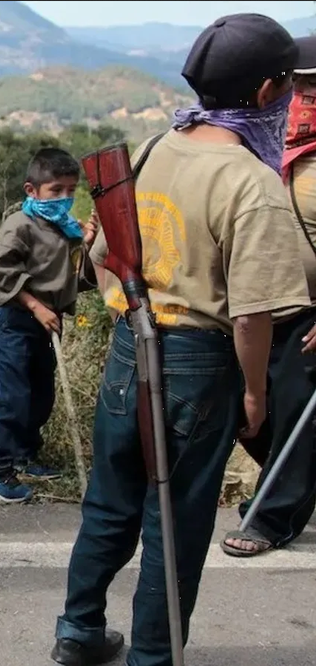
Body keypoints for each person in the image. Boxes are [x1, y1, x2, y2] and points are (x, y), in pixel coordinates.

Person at [53, 14, 310, 666]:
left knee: (109, 507)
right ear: (265, 92)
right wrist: (255, 394)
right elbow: (252, 317)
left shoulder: (152, 148)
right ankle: (152, 658)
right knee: (177, 524)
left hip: (126, 347)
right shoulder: (252, 183)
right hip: (200, 364)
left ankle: (77, 632)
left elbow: (105, 252)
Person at [220, 33, 316, 558]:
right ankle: (284, 485)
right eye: (298, 85)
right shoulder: (260, 146)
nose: (304, 98)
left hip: (308, 314)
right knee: (246, 411)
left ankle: (272, 515)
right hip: (257, 306)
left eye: (314, 88)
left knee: (300, 415)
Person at [0, 148, 97, 504]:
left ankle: (25, 456)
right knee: (11, 396)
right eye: (55, 190)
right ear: (32, 190)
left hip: (48, 324)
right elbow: (1, 275)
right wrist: (35, 306)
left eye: (71, 190)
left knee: (40, 395)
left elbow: (74, 276)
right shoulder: (20, 225)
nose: (64, 198)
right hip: (18, 320)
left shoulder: (67, 229)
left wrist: (87, 244)